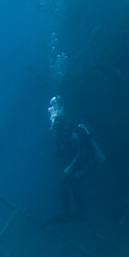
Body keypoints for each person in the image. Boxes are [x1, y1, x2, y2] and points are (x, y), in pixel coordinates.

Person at [41, 97, 104, 227]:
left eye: (57, 128)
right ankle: (78, 214)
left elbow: (82, 153)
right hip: (79, 164)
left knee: (65, 184)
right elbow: (62, 155)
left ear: (62, 125)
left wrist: (70, 169)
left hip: (86, 162)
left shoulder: (72, 134)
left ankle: (68, 214)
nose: (56, 131)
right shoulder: (61, 136)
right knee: (72, 184)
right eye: (55, 129)